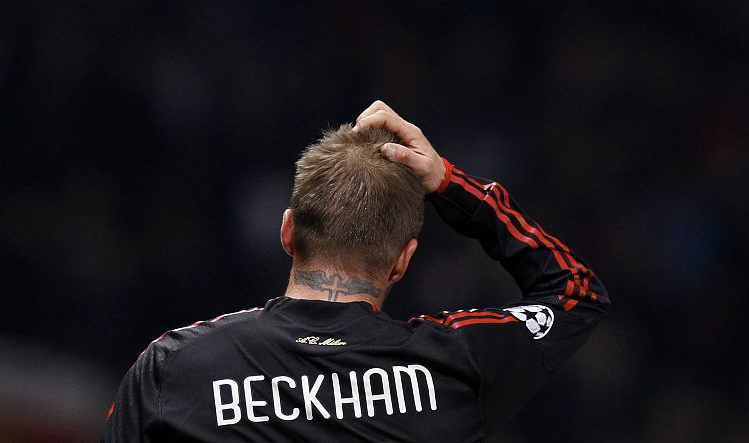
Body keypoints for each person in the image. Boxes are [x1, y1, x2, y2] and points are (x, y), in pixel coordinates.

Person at [101, 101, 610, 442]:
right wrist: (450, 183)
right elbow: (575, 291)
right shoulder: (453, 365)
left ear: (287, 230)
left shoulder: (173, 368)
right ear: (404, 260)